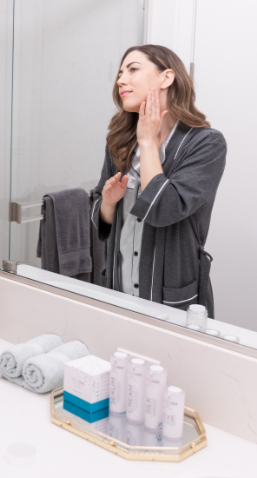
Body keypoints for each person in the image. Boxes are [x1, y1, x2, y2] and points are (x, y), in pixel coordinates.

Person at [92, 44, 226, 316]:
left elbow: (164, 210)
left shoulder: (206, 144)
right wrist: (107, 204)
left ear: (166, 78)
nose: (121, 80)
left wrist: (148, 143)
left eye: (132, 69)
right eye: (120, 73)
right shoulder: (119, 143)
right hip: (116, 291)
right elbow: (102, 228)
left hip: (172, 301)